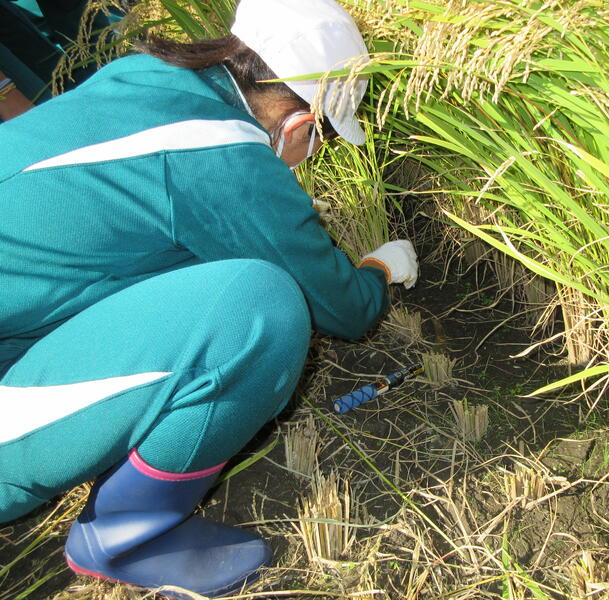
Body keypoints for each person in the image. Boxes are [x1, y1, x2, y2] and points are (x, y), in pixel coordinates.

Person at [0, 0, 418, 598]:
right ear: (298, 125)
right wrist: (379, 267)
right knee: (257, 307)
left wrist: (262, 215)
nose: (314, 154)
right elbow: (346, 310)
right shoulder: (224, 158)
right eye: (321, 139)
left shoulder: (143, 76)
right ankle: (124, 536)